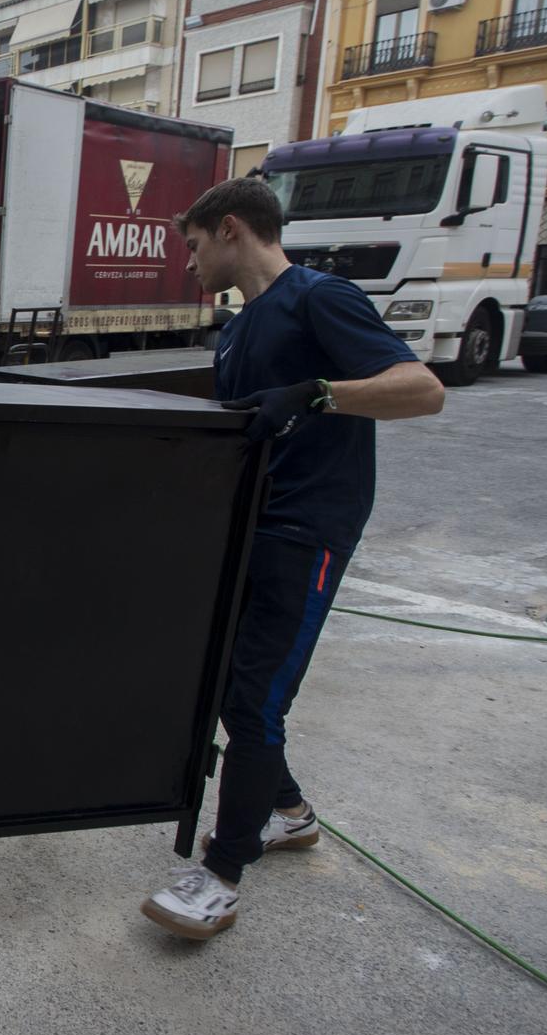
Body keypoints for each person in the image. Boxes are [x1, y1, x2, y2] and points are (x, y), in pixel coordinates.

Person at [141, 177, 443, 941]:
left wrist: (316, 393)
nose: (191, 263)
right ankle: (290, 813)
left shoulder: (319, 297)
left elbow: (421, 388)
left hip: (306, 530)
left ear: (232, 228)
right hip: (251, 526)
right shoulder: (239, 328)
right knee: (227, 687)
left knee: (255, 700)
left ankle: (220, 875)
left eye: (195, 245)